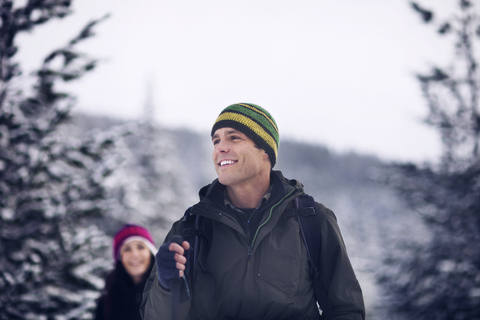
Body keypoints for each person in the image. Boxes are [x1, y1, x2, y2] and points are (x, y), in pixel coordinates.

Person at [141, 103, 365, 319]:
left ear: (265, 151)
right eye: (216, 140)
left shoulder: (312, 221)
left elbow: (346, 309)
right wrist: (167, 285)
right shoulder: (190, 228)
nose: (220, 148)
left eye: (234, 137)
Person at [95, 224, 157, 320]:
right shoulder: (108, 298)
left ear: (151, 253)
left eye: (140, 247)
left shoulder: (169, 288)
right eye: (127, 249)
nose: (135, 255)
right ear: (120, 258)